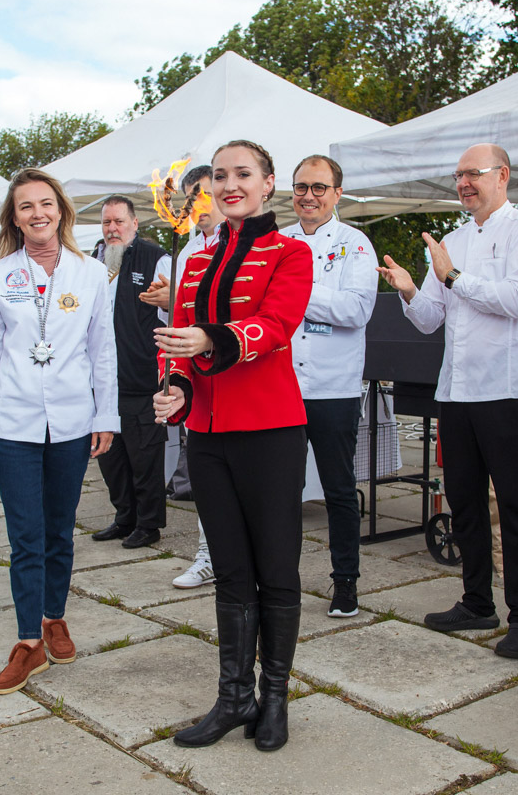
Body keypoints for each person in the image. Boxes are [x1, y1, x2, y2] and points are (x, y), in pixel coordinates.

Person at [154, 139, 312, 752]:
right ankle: (233, 697)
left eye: (243, 174)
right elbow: (182, 356)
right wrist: (176, 391)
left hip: (271, 430)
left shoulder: (290, 253)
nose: (229, 184)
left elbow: (275, 327)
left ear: (267, 183)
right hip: (209, 437)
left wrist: (208, 339)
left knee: (276, 570)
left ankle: (274, 698)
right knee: (231, 573)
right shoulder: (194, 262)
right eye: (220, 176)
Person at [378, 143, 518, 660]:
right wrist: (411, 290)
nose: (463, 184)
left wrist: (453, 276)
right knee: (465, 501)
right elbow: (432, 318)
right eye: (457, 176)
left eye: (472, 175)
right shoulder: (451, 240)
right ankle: (477, 601)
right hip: (456, 391)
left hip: (508, 388)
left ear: (502, 175)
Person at [0, 168, 118, 696]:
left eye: (45, 203)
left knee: (59, 530)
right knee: (25, 536)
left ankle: (55, 616)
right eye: (26, 206)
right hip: (16, 421)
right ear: (15, 217)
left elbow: (103, 352)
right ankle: (29, 643)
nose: (37, 214)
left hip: (73, 421)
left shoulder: (92, 275)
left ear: (62, 210)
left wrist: (106, 417)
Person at [284, 154, 378, 618]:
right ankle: (282, 581)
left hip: (333, 388)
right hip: (281, 387)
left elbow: (356, 311)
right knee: (281, 492)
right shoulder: (276, 241)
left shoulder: (355, 245)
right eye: (302, 187)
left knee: (339, 491)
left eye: (319, 187)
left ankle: (346, 582)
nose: (309, 196)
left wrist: (294, 293)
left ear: (337, 193)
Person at [152, 164, 225, 590]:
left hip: (232, 371)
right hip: (193, 378)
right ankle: (206, 554)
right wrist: (168, 303)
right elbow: (178, 321)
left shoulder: (250, 247)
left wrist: (179, 298)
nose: (195, 204)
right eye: (189, 197)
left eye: (201, 193)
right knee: (203, 474)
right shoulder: (184, 251)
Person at [88, 196, 172, 550]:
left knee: (144, 458)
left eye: (119, 222)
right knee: (111, 458)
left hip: (141, 377)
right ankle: (125, 518)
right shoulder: (93, 259)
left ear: (135, 224)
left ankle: (149, 524)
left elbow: (174, 310)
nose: (112, 229)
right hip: (102, 381)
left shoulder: (157, 258)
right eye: (107, 222)